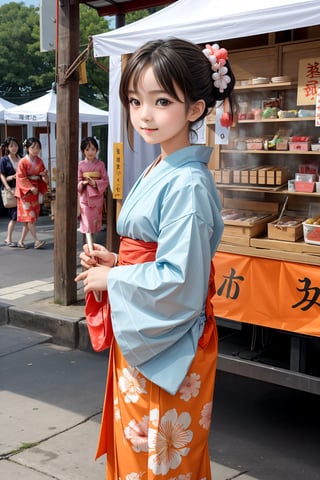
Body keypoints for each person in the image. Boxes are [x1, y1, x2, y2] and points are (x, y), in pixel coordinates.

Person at [75, 38, 235, 479]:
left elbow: (180, 279)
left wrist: (117, 280)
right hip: (147, 328)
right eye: (135, 100)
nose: (144, 113)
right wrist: (117, 261)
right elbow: (154, 251)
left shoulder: (187, 182)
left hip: (170, 340)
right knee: (138, 446)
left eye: (161, 100)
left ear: (195, 109)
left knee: (160, 455)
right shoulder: (162, 166)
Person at [15, 137, 49, 249]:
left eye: (38, 147)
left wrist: (44, 176)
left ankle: (21, 241)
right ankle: (36, 241)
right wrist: (29, 187)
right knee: (30, 217)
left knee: (29, 219)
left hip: (35, 191)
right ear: (27, 148)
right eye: (33, 147)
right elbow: (20, 177)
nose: (35, 150)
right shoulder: (22, 162)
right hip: (25, 193)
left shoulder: (39, 161)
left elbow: (44, 178)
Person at [77, 136, 109, 236]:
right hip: (85, 197)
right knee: (86, 222)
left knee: (94, 224)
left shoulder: (101, 164)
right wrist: (83, 183)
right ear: (83, 151)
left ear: (97, 150)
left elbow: (105, 180)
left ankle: (90, 246)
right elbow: (78, 180)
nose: (90, 152)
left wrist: (95, 183)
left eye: (93, 149)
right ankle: (89, 247)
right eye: (87, 149)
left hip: (96, 197)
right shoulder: (80, 164)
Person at [0, 137, 21, 246]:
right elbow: (2, 175)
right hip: (11, 189)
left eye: (16, 145)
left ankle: (20, 240)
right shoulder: (4, 160)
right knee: (14, 214)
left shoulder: (20, 158)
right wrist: (7, 185)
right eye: (11, 146)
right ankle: (8, 238)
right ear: (7, 148)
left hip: (21, 189)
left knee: (22, 215)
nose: (14, 148)